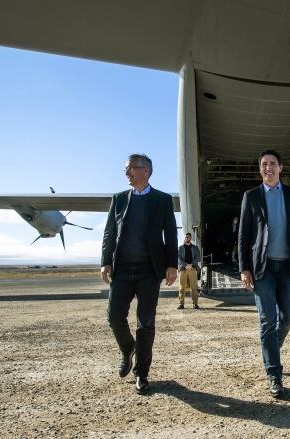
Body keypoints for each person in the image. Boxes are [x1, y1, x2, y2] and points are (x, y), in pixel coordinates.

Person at [238, 149, 290, 398]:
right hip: (263, 268)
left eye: (272, 164)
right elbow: (243, 236)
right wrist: (244, 268)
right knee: (267, 321)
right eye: (263, 164)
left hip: (288, 267)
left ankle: (272, 347)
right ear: (260, 169)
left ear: (281, 168)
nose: (268, 168)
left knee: (288, 317)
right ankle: (274, 374)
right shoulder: (251, 196)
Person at [101, 153, 177, 394]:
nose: (127, 173)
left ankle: (141, 373)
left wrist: (171, 264)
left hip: (149, 271)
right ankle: (128, 349)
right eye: (126, 169)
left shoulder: (162, 200)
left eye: (131, 168)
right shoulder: (119, 199)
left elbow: (171, 234)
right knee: (114, 317)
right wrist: (105, 261)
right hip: (122, 269)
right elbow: (109, 233)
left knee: (146, 323)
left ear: (145, 171)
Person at [177, 232, 200, 309]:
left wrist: (191, 265)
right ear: (184, 238)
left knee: (194, 287)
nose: (187, 238)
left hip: (192, 269)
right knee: (181, 287)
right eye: (185, 237)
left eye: (188, 237)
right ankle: (181, 304)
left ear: (190, 238)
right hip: (183, 269)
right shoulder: (180, 248)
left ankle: (195, 304)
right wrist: (186, 265)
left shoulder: (195, 248)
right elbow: (179, 258)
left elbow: (198, 257)